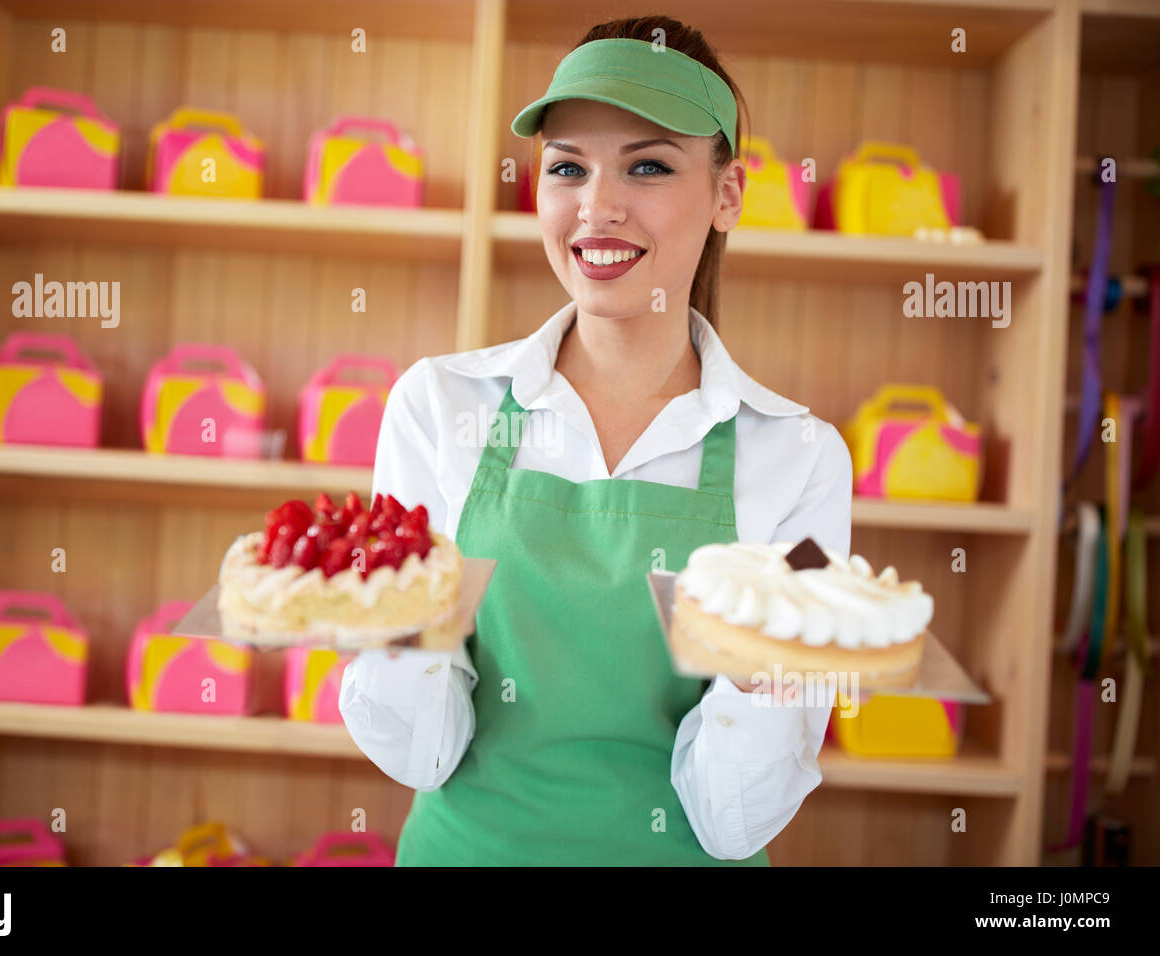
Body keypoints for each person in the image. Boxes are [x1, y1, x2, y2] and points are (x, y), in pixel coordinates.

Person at [339, 14, 852, 866]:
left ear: (728, 194)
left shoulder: (795, 456)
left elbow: (735, 823)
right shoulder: (440, 406)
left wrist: (775, 675)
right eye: (567, 168)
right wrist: (383, 618)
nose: (597, 207)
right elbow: (417, 753)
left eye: (648, 166)